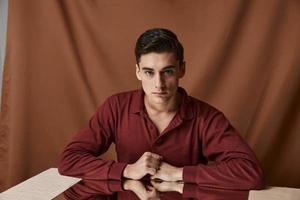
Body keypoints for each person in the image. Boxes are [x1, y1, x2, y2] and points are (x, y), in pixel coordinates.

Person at [58, 28, 265, 190]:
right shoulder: (116, 107)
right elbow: (69, 160)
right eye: (149, 72)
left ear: (181, 70)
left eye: (167, 72)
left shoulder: (206, 117)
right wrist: (127, 170)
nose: (159, 83)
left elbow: (251, 173)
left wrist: (179, 174)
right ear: (137, 71)